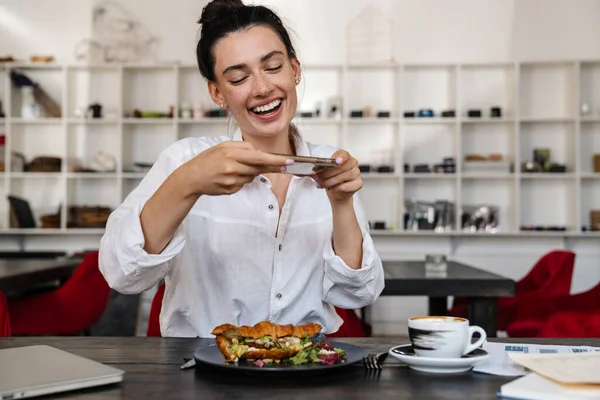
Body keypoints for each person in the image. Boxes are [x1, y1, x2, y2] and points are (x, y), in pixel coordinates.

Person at [99, 0, 385, 338]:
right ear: (217, 93)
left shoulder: (328, 165)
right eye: (238, 77)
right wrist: (187, 183)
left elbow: (357, 294)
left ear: (295, 70)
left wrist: (341, 204)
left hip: (303, 371)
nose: (262, 88)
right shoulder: (183, 160)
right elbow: (123, 275)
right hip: (201, 374)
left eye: (273, 66)